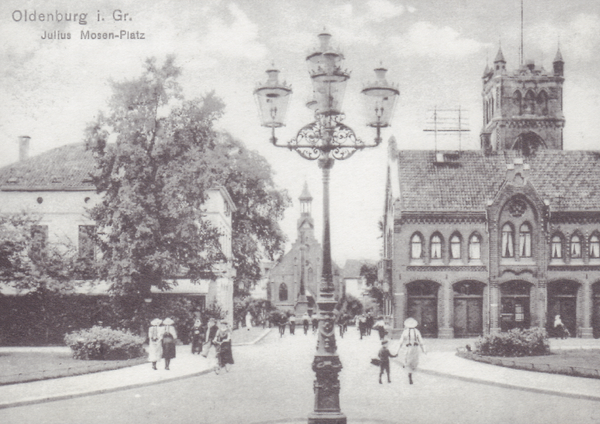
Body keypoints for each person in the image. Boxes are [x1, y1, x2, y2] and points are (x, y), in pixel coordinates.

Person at [395, 317, 426, 385]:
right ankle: (411, 371)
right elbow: (421, 341)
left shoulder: (405, 331)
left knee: (407, 360)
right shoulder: (417, 331)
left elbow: (400, 342)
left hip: (407, 347)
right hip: (414, 348)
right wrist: (424, 350)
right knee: (414, 361)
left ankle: (409, 373)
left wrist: (397, 351)